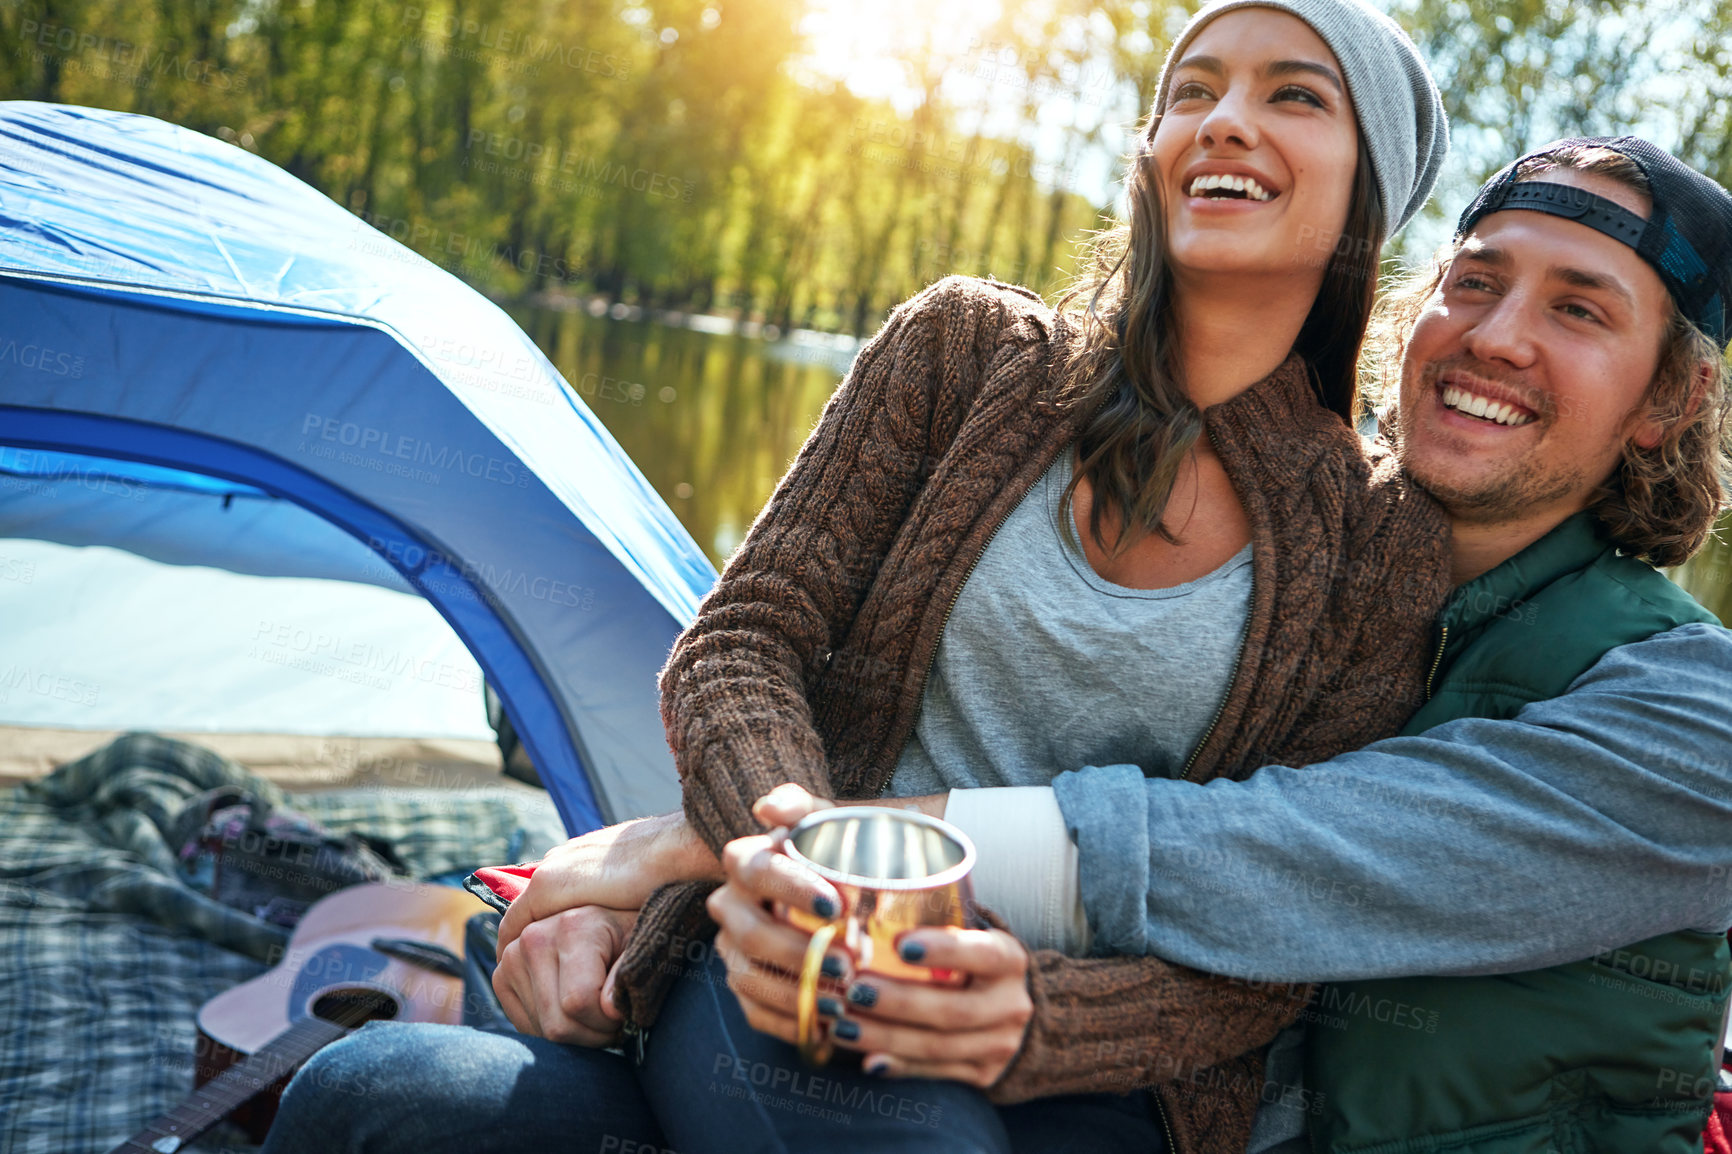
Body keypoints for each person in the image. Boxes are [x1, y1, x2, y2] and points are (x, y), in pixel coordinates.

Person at [256, 0, 1455, 1150]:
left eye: (1293, 96)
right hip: (789, 957)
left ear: (1371, 190)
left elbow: (1281, 924)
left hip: (1086, 1073)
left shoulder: (1380, 542)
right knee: (368, 1097)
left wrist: (1031, 1012)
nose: (1224, 119)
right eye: (1192, 91)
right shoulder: (967, 353)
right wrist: (799, 842)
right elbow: (744, 642)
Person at [740, 135, 1732, 1153]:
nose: (1497, 336)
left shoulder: (1692, 712)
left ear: (1669, 400)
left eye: (1578, 308)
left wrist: (770, 847)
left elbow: (1287, 858)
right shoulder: (1280, 561)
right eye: (1473, 281)